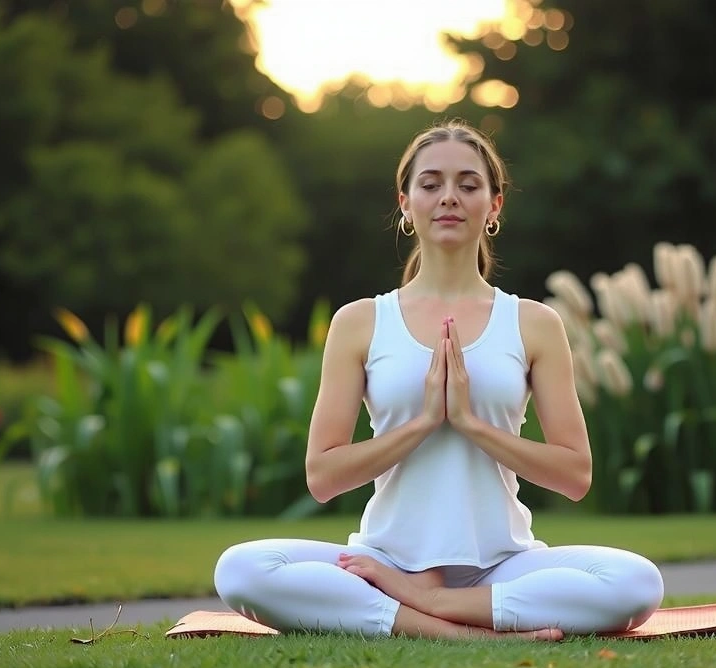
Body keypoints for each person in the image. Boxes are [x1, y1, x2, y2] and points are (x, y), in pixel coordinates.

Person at [214, 119, 664, 641]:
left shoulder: (534, 323)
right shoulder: (360, 322)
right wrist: (425, 422)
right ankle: (456, 630)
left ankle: (431, 605)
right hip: (382, 561)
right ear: (405, 203)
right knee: (241, 569)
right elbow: (323, 475)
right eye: (430, 184)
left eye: (468, 185)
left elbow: (575, 475)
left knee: (635, 583)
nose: (449, 196)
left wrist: (472, 424)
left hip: (501, 563)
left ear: (494, 206)